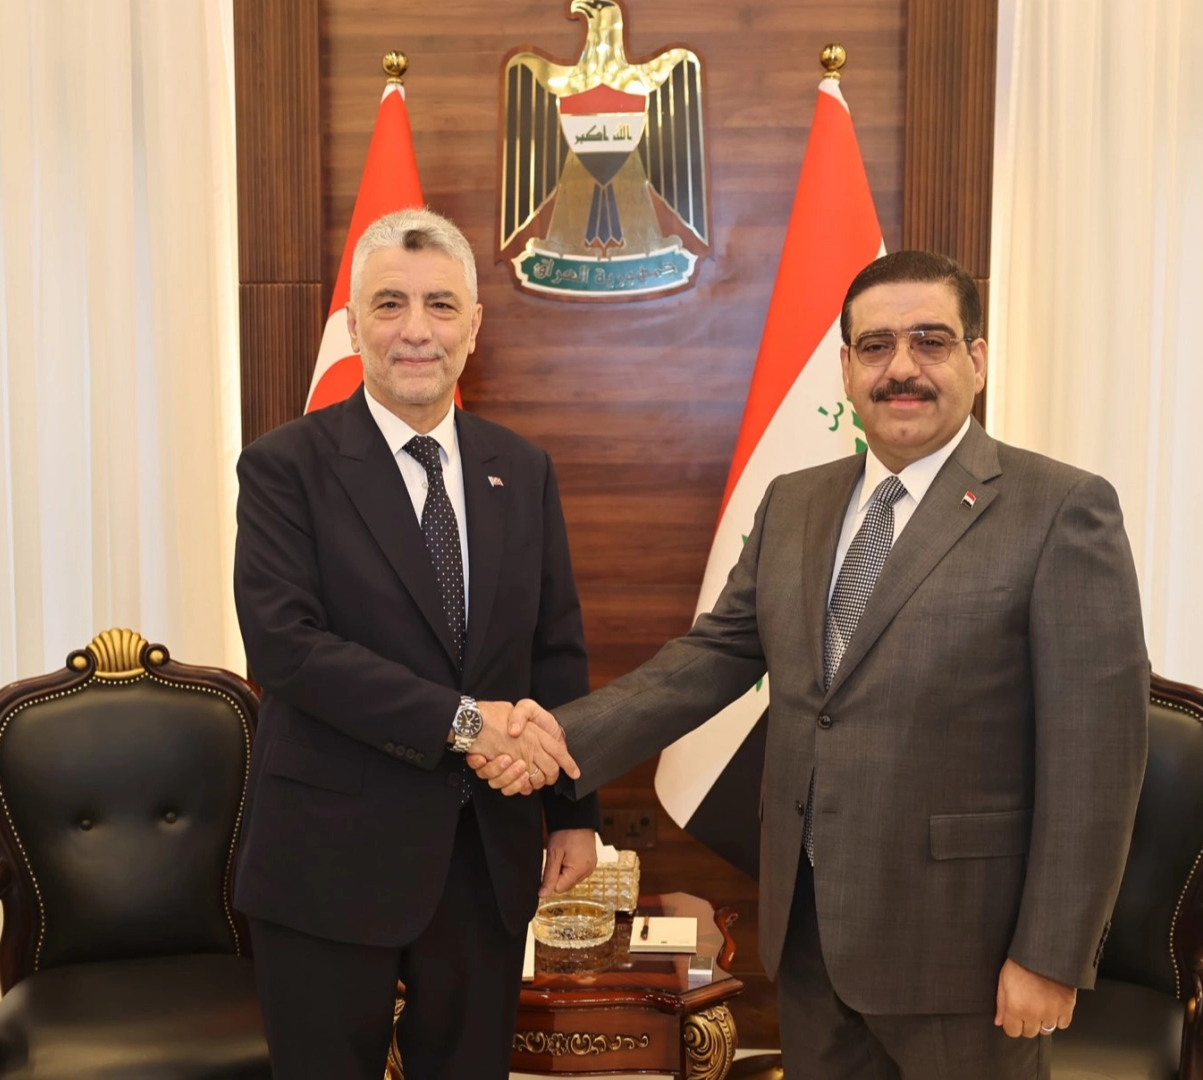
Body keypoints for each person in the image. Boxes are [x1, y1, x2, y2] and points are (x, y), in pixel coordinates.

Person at [476, 250, 1149, 1080]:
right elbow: (709, 659)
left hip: (963, 951)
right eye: (876, 346)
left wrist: (1050, 954)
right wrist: (553, 737)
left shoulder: (1060, 508)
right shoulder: (795, 502)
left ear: (977, 359)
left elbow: (1096, 758)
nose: (901, 368)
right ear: (846, 368)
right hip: (809, 940)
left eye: (930, 341)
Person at [231, 207, 599, 1080]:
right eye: (389, 304)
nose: (416, 330)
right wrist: (468, 723)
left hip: (483, 855)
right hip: (329, 854)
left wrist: (575, 814)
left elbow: (555, 650)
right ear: (353, 324)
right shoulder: (284, 467)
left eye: (440, 305)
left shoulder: (522, 469)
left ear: (474, 326)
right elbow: (287, 648)